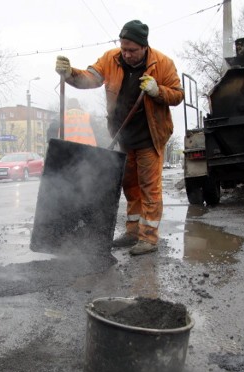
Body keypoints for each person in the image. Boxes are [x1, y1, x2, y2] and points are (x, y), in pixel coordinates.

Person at [55, 19, 184, 256]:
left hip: (150, 137)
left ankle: (148, 238)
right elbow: (90, 78)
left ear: (145, 47)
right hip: (123, 137)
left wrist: (157, 91)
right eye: (123, 48)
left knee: (149, 189)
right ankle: (133, 231)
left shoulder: (163, 64)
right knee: (130, 186)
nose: (127, 54)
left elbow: (177, 95)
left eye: (132, 50)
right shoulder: (111, 58)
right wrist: (69, 74)